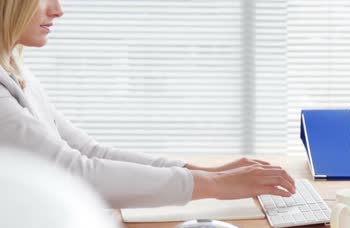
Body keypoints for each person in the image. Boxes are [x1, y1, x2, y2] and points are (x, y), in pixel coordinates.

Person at [0, 0, 295, 209]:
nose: (58, 10)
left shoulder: (14, 69)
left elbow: (89, 151)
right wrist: (215, 185)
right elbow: (76, 174)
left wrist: (209, 172)